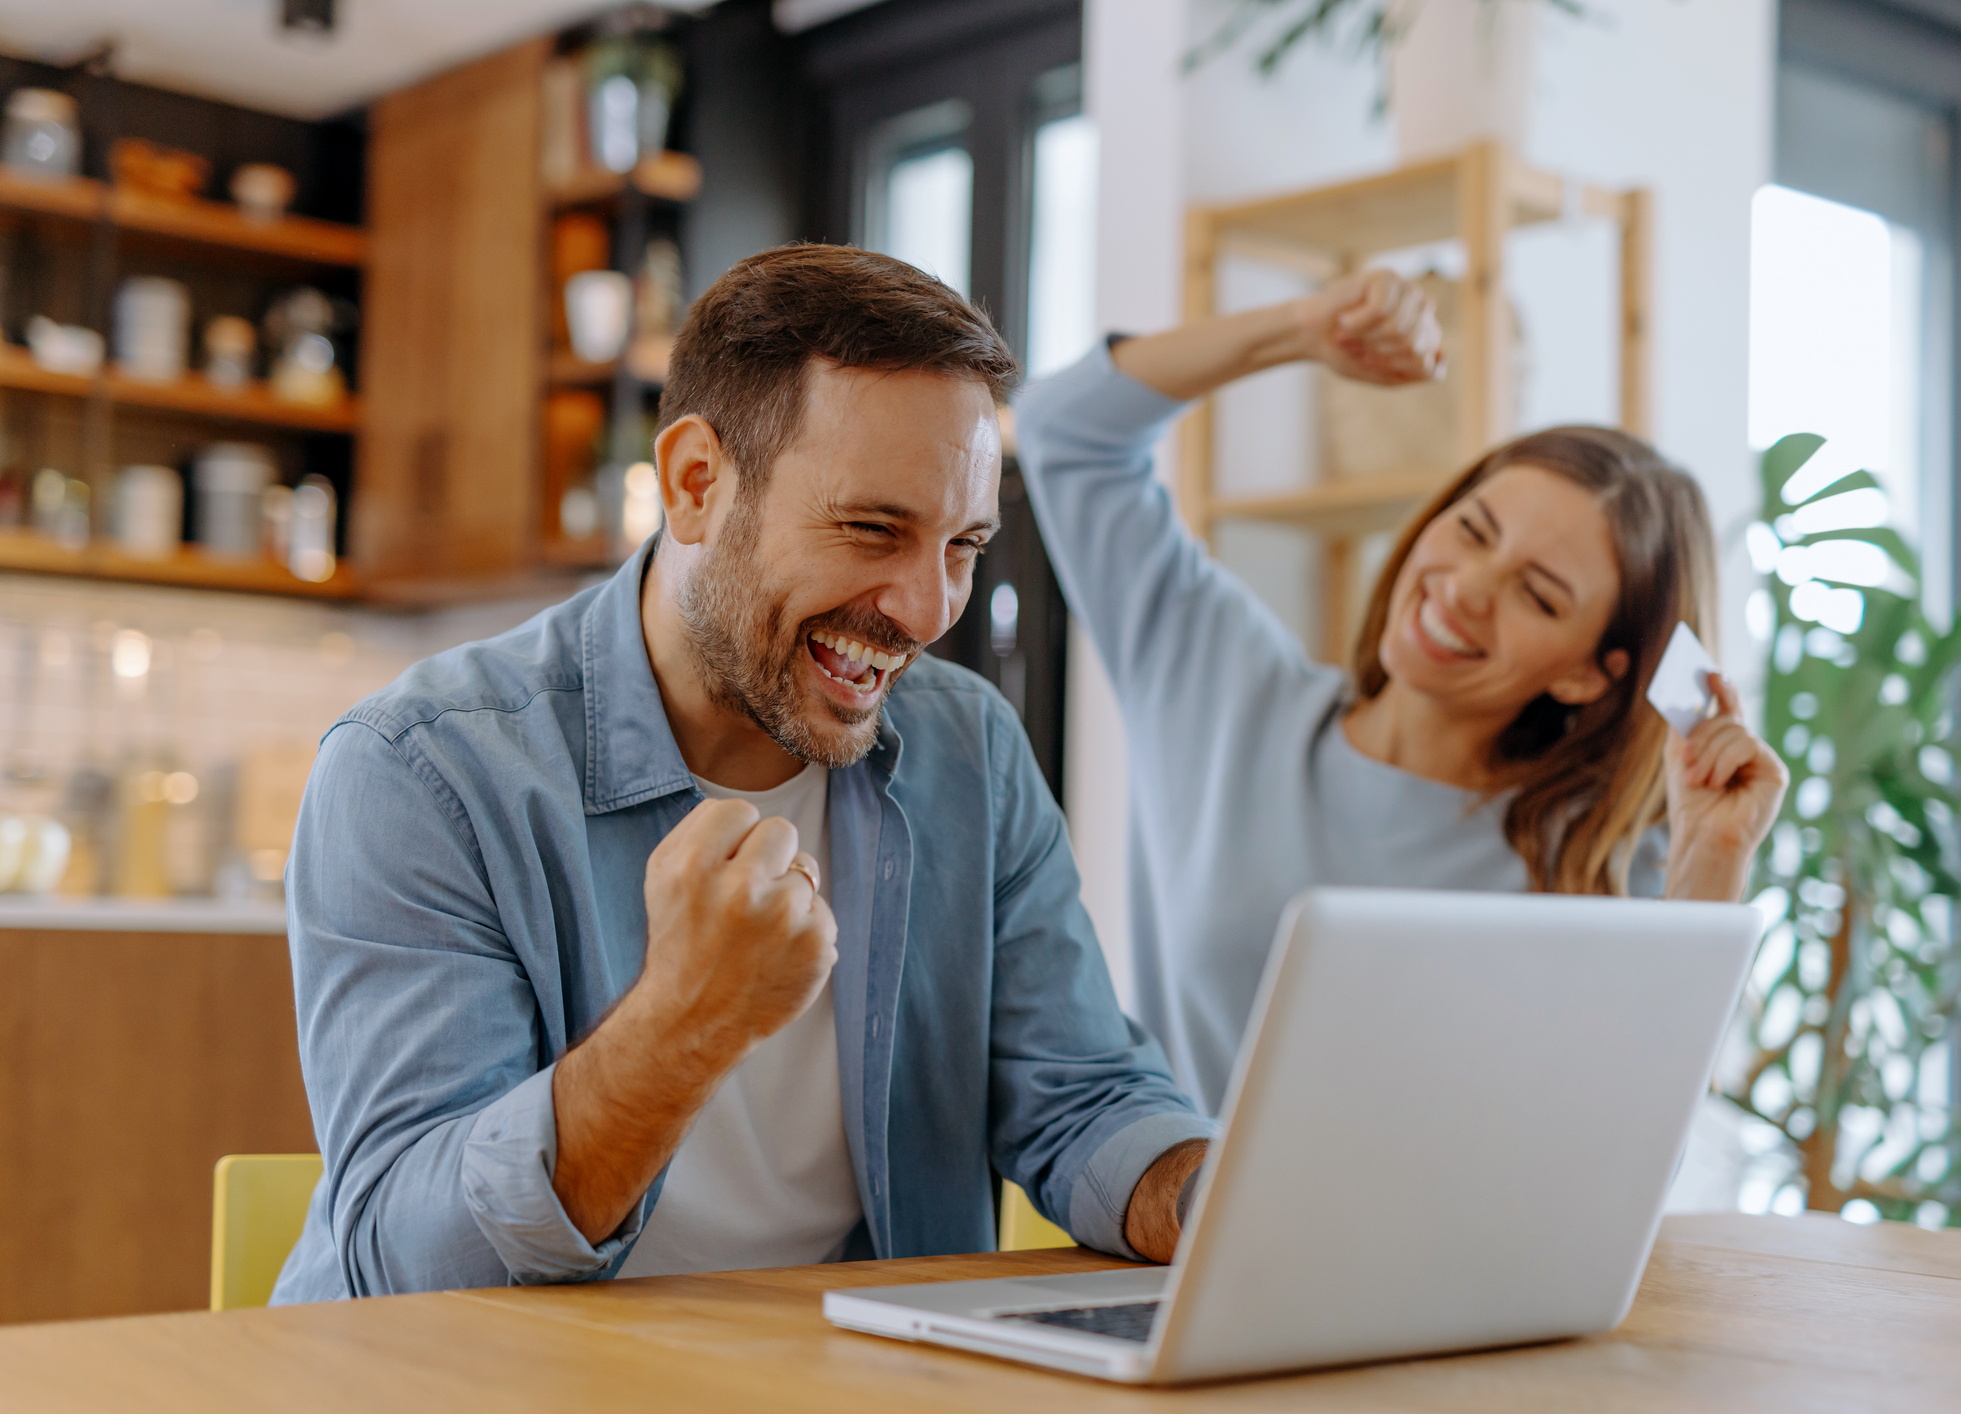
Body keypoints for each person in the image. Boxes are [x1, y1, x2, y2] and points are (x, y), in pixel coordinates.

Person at [272, 246, 1215, 1303]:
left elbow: (1079, 1095)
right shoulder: (421, 773)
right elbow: (405, 1260)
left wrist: (1215, 1197)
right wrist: (685, 1020)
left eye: (963, 546)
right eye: (871, 528)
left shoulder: (970, 751)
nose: (922, 608)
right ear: (695, 484)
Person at [1014, 269, 1790, 1113]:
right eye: (1472, 529)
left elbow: (1637, 1138)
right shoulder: (1222, 685)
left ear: (1586, 672)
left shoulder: (1603, 859)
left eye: (1537, 594)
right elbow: (1066, 429)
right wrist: (1301, 331)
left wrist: (1711, 864)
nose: (1464, 588)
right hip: (1183, 1237)